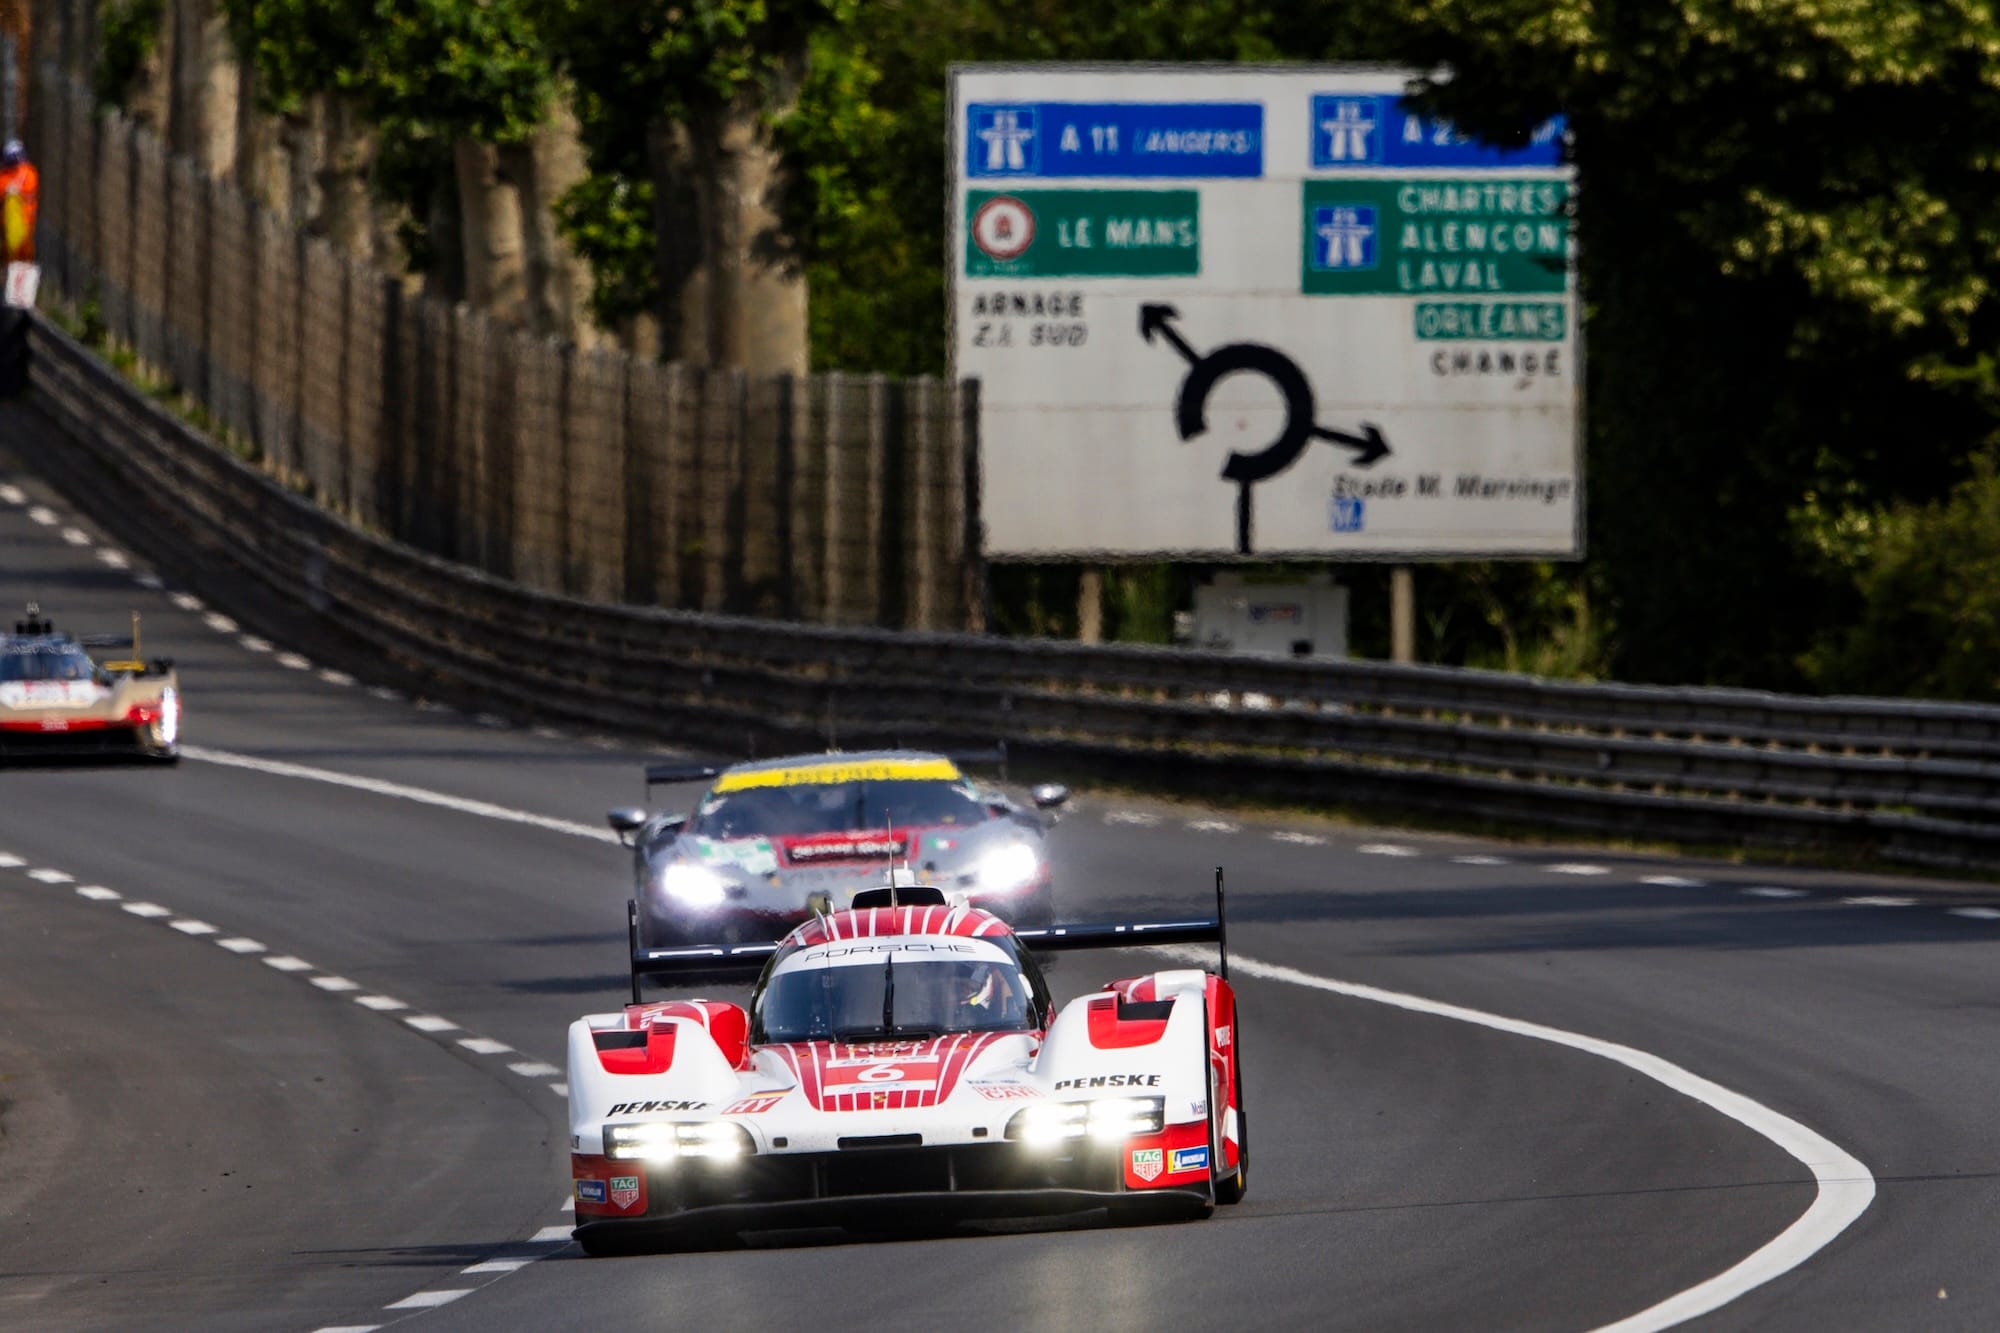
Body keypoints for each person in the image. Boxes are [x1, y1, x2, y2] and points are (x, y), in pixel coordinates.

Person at [1, 139, 38, 266]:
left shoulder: (28, 173)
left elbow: (30, 190)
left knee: (25, 253)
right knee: (9, 253)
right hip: (8, 227)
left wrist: (18, 192)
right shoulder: (4, 176)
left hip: (26, 222)